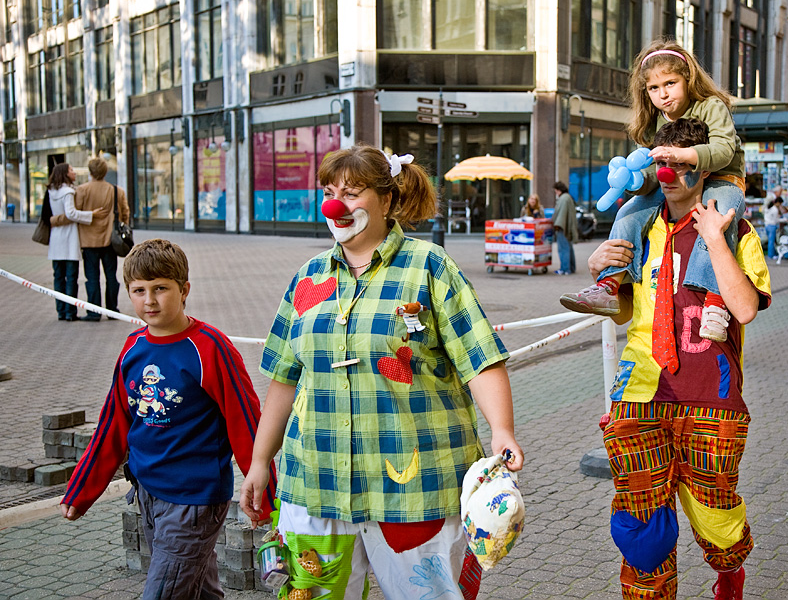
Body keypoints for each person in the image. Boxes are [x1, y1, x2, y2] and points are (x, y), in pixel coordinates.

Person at [239, 145, 524, 600]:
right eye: (330, 192)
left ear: (386, 200)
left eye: (351, 192)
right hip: (317, 481)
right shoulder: (308, 278)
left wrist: (502, 430)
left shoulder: (429, 267)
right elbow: (283, 378)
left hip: (416, 490)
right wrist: (258, 462)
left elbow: (479, 356)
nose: (337, 204)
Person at [588, 119, 771, 600]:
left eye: (677, 163)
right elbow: (623, 309)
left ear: (700, 167)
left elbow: (746, 308)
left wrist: (713, 238)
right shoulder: (640, 227)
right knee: (641, 524)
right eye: (659, 162)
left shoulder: (738, 230)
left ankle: (729, 570)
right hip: (639, 391)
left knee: (714, 512)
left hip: (711, 395)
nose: (666, 173)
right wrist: (599, 267)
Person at [60, 238, 277, 599]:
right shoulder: (133, 346)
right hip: (147, 493)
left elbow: (247, 423)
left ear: (184, 289)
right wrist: (82, 490)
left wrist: (265, 495)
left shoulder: (210, 348)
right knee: (199, 592)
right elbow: (113, 424)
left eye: (161, 288)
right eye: (139, 290)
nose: (150, 300)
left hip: (195, 501)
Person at [560, 40, 746, 343]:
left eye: (670, 83)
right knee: (627, 212)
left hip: (723, 177)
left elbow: (724, 150)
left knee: (715, 221)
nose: (663, 94)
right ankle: (609, 284)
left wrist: (683, 156)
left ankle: (714, 301)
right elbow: (651, 171)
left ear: (688, 79)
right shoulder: (653, 120)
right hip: (675, 178)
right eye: (654, 88)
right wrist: (636, 181)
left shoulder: (710, 106)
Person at [46, 163, 105, 321]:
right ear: (65, 173)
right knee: (71, 277)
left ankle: (61, 310)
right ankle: (70, 312)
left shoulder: (52, 191)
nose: (74, 172)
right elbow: (71, 213)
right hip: (69, 238)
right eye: (71, 170)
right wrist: (90, 214)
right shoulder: (68, 192)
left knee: (58, 277)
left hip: (56, 238)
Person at [75, 156, 130, 321]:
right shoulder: (116, 191)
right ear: (106, 172)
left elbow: (76, 213)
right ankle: (112, 309)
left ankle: (93, 312)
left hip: (88, 241)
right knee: (111, 276)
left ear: (90, 172)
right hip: (110, 241)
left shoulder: (82, 190)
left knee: (92, 277)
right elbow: (125, 213)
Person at [552, 181, 578, 275]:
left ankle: (565, 269)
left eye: (555, 191)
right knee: (569, 247)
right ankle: (571, 267)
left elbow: (561, 214)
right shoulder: (568, 197)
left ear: (558, 190)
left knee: (563, 248)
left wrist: (557, 225)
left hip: (563, 227)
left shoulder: (563, 199)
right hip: (568, 226)